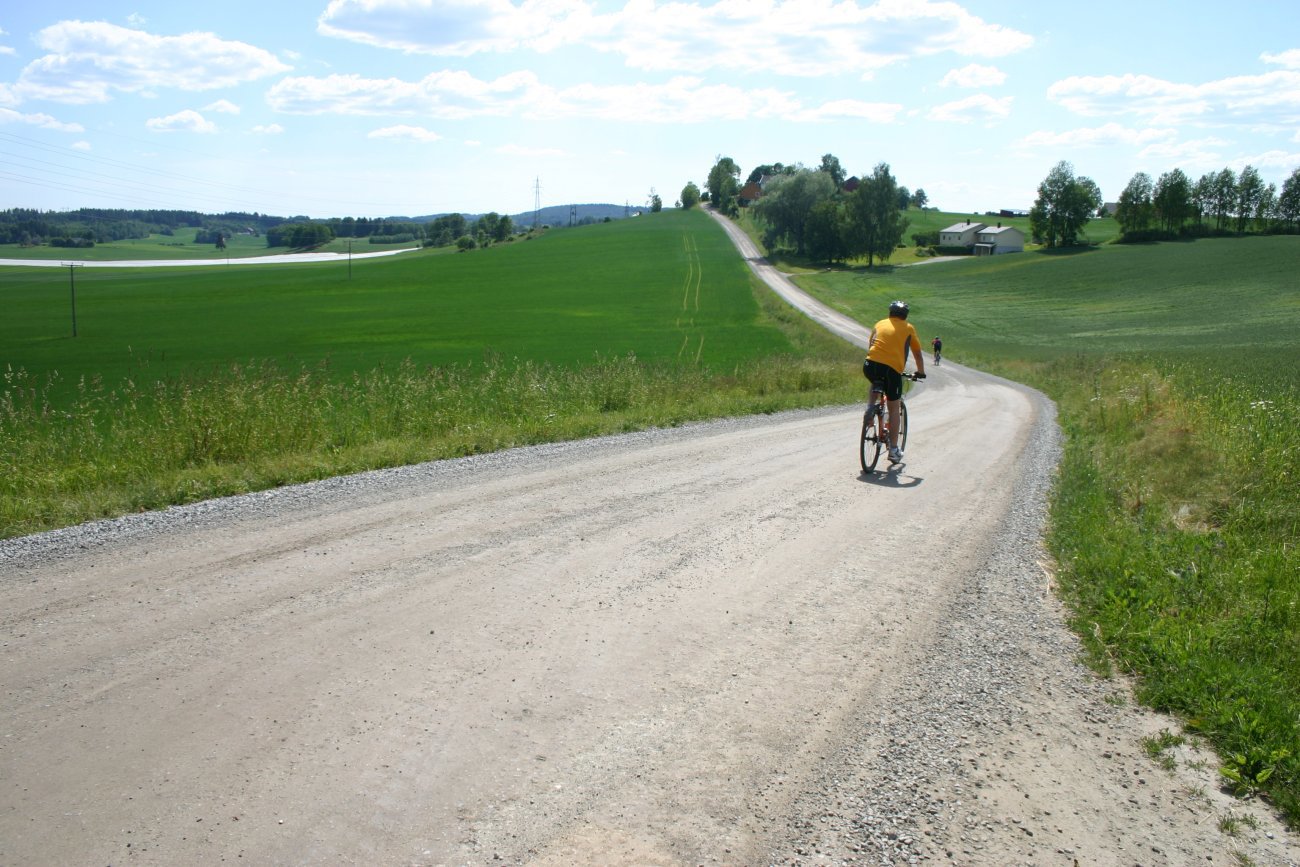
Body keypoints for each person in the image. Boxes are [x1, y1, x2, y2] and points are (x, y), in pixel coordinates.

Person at [863, 300, 926, 463]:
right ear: (905, 316)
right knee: (894, 408)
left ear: (890, 313)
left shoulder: (879, 323)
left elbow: (871, 344)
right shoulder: (908, 328)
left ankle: (870, 408)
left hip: (870, 364)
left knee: (875, 382)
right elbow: (917, 353)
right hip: (892, 370)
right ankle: (893, 450)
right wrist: (920, 372)